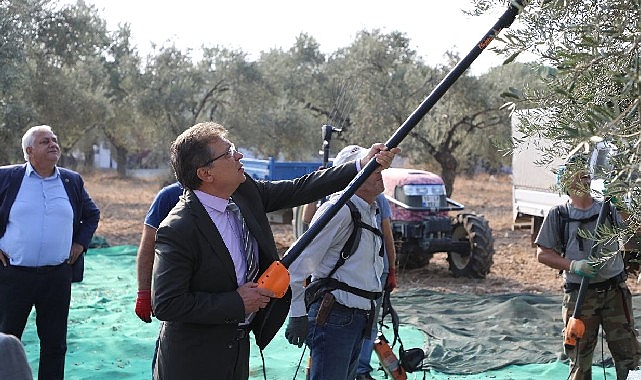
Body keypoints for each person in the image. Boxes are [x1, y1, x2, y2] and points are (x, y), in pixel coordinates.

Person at [151, 121, 398, 380]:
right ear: (205, 173)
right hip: (193, 360)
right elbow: (167, 303)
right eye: (228, 152)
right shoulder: (179, 228)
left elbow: (300, 188)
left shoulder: (244, 193)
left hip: (236, 349)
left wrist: (363, 165)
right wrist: (236, 301)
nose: (239, 155)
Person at [0, 125, 100, 380]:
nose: (54, 144)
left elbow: (92, 215)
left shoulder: (71, 180)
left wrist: (80, 244)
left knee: (55, 344)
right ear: (29, 150)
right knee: (6, 341)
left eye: (55, 140)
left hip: (56, 277)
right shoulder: (8, 177)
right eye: (46, 141)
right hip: (13, 277)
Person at [284, 145, 393, 380]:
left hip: (354, 320)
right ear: (352, 175)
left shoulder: (369, 211)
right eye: (370, 166)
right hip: (334, 319)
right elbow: (296, 266)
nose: (379, 169)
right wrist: (297, 314)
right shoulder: (339, 211)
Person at [534, 153, 640, 380]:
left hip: (614, 293)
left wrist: (622, 204)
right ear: (566, 180)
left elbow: (636, 231)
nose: (583, 175)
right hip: (580, 297)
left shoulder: (609, 209)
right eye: (576, 171)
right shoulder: (559, 215)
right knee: (580, 362)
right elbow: (543, 254)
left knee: (629, 358)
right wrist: (573, 265)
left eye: (585, 171)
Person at [134, 181, 183, 323]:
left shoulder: (235, 194)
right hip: (178, 291)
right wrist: (144, 292)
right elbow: (148, 245)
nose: (238, 157)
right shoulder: (170, 195)